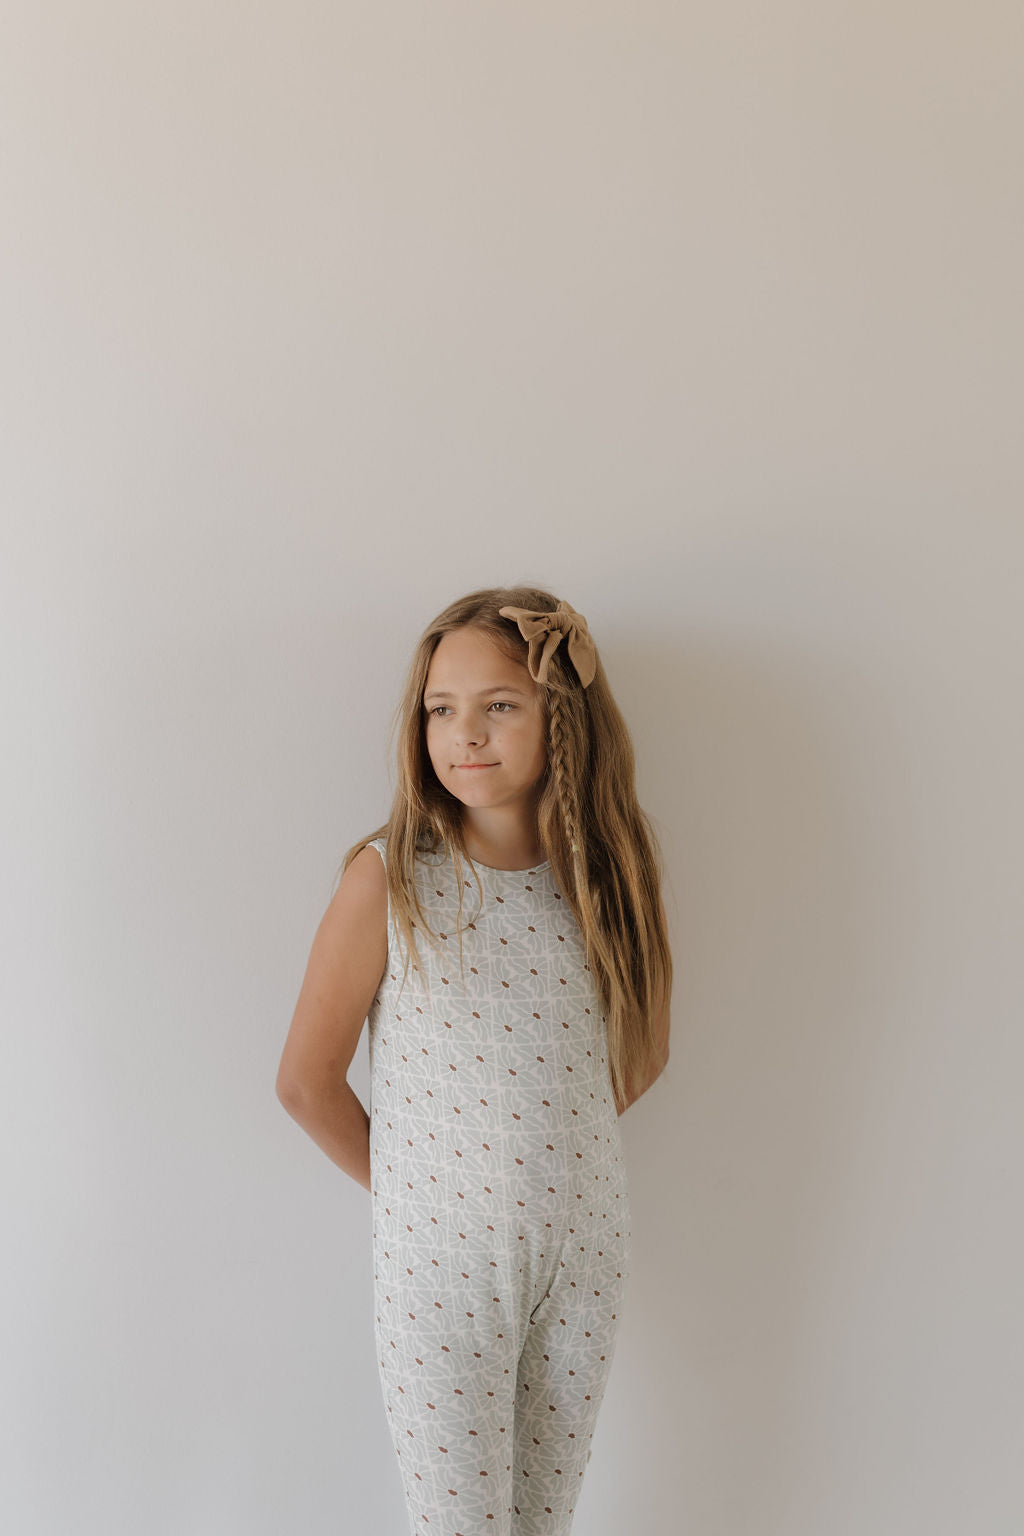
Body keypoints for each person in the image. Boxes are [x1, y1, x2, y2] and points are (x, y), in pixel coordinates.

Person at [276, 584, 673, 1535]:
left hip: (584, 1254)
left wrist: (544, 1155)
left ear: (559, 715)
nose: (467, 734)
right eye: (441, 710)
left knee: (542, 1525)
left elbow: (644, 1050)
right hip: (439, 1264)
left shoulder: (609, 873)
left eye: (499, 705)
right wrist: (430, 1190)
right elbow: (304, 1082)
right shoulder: (392, 879)